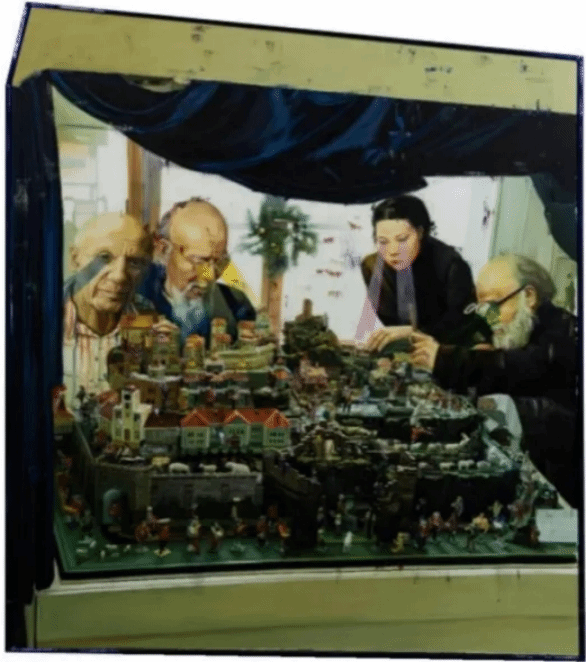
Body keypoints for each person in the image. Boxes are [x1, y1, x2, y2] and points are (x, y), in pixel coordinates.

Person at [411, 254, 578, 506]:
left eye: (492, 306)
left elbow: (523, 366)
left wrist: (446, 359)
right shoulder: (525, 324)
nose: (490, 320)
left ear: (529, 296)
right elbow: (471, 329)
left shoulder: (567, 338)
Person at [360, 196, 476, 351]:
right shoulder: (373, 267)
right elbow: (391, 324)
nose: (393, 251)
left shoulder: (451, 265)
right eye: (383, 241)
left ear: (420, 232)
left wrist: (413, 331)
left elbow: (463, 323)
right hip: (408, 349)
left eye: (402, 239)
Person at [63, 212, 153, 402]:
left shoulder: (149, 319)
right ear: (74, 259)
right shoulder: (38, 321)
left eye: (134, 263)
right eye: (104, 257)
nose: (119, 276)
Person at [139, 197, 256, 344]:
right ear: (163, 249)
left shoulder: (237, 305)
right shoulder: (136, 301)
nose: (209, 276)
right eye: (199, 261)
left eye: (219, 261)